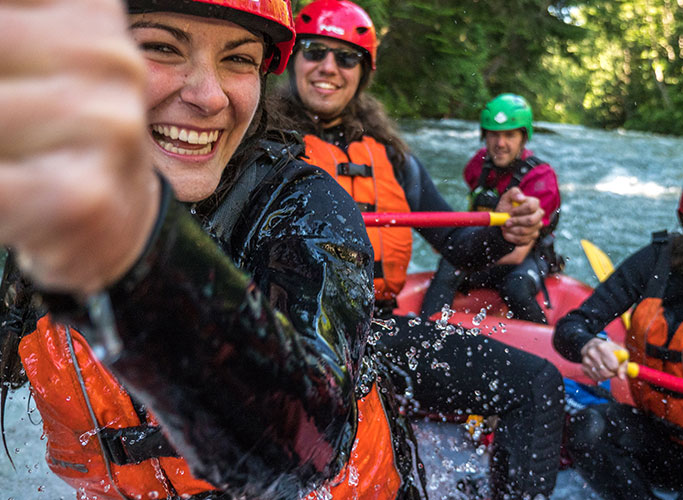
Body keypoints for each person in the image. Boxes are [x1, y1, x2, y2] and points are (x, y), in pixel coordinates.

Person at [0, 0, 428, 499]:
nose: (209, 96)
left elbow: (308, 450)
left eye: (239, 59)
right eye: (160, 48)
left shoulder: (307, 208)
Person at [271, 1, 565, 498]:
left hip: (378, 333)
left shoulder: (393, 157)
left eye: (346, 59)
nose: (328, 68)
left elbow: (459, 247)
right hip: (292, 341)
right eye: (316, 52)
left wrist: (504, 234)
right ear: (293, 60)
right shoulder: (259, 143)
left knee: (537, 381)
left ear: (362, 75)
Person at [553, 150, 683, 500]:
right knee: (591, 428)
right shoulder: (659, 260)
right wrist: (589, 345)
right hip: (664, 442)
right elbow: (572, 326)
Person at [421, 93, 562, 324]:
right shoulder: (478, 166)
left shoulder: (541, 180)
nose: (500, 144)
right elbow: (473, 222)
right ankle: (425, 331)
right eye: (493, 135)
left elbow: (517, 254)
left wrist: (461, 255)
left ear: (523, 138)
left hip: (528, 257)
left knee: (515, 287)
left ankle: (548, 346)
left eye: (509, 135)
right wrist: (455, 244)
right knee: (448, 266)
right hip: (489, 251)